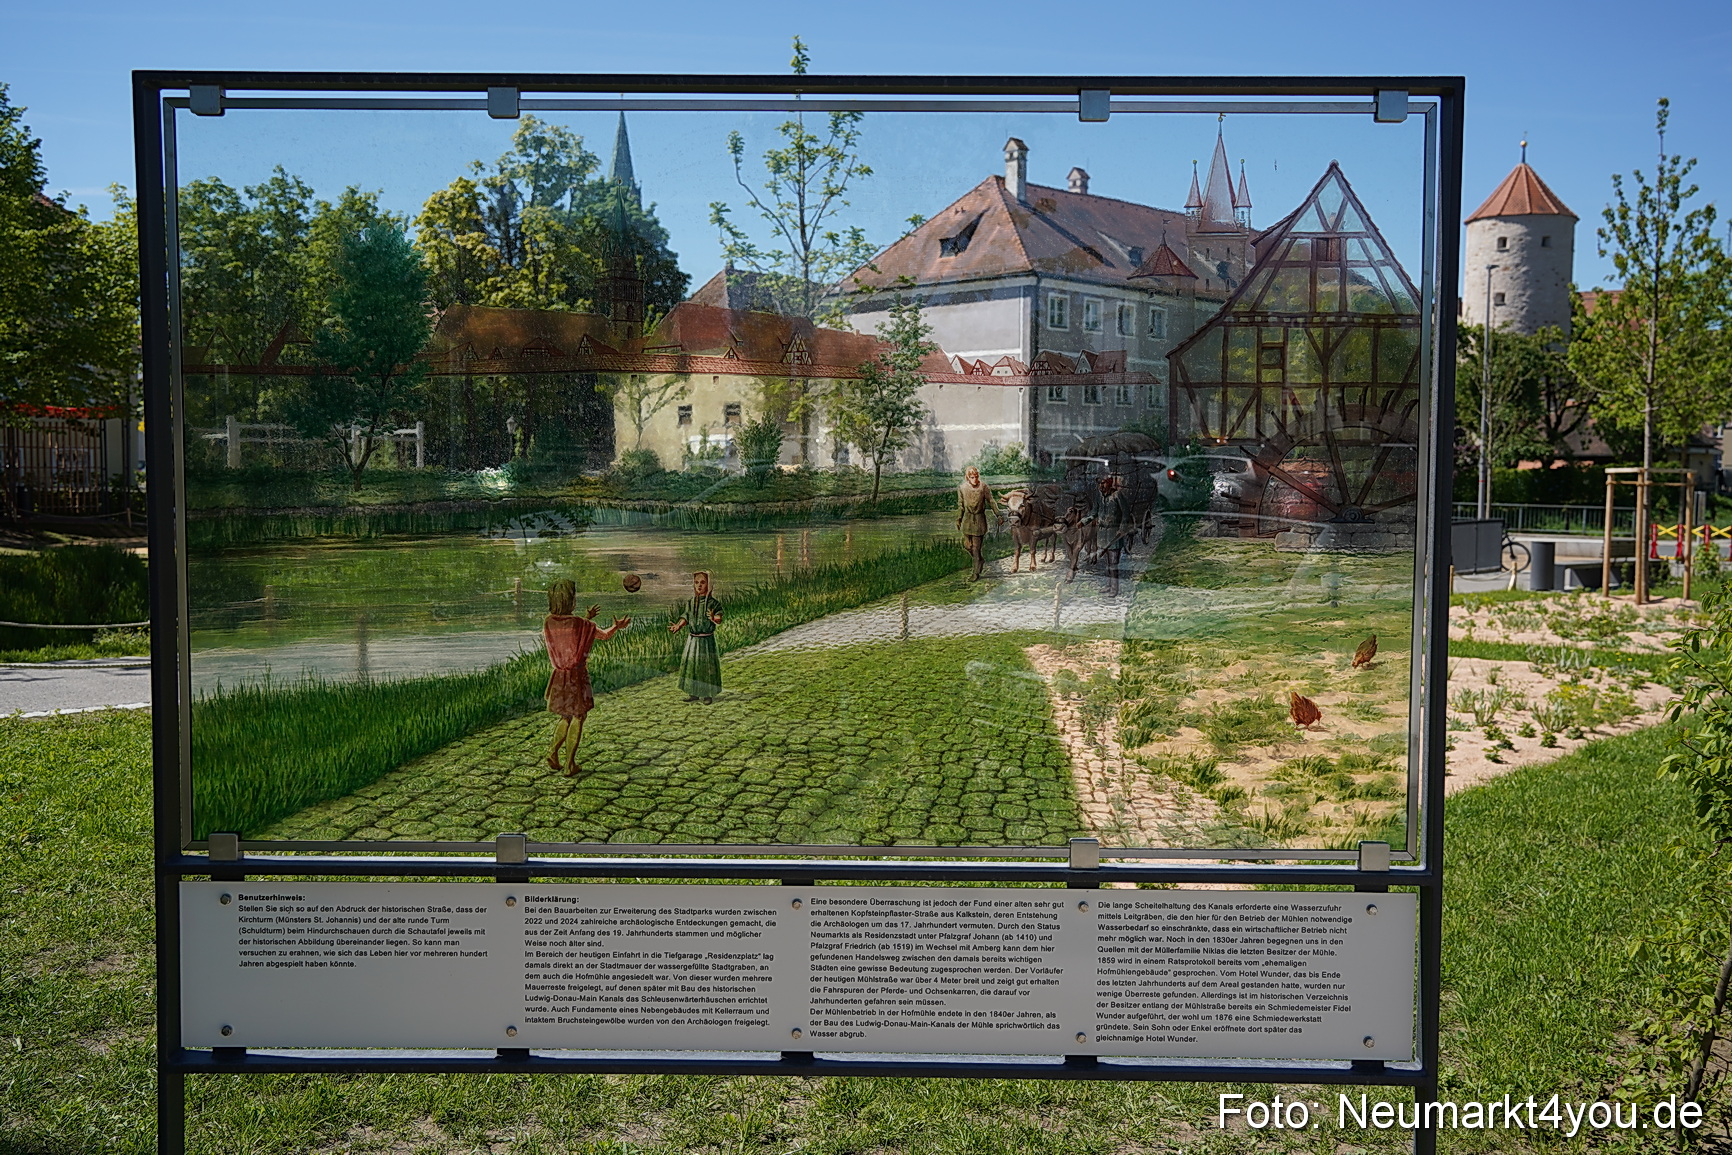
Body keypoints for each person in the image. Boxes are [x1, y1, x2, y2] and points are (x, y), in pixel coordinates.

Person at [543, 579, 630, 777]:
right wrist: (616, 627)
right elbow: (603, 635)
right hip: (576, 676)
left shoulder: (549, 621)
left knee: (565, 716)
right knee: (578, 716)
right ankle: (569, 764)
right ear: (571, 601)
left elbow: (568, 632)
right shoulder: (583, 624)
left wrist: (586, 618)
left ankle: (552, 752)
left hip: (558, 676)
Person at [669, 570, 724, 703]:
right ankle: (693, 693)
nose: (699, 585)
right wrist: (678, 625)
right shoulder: (691, 602)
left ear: (709, 585)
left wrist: (713, 618)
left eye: (703, 582)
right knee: (692, 666)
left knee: (705, 667)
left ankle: (707, 695)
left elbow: (719, 618)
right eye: (696, 582)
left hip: (706, 641)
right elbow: (686, 616)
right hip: (693, 640)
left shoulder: (713, 603)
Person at [956, 465, 1005, 582]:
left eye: (976, 476)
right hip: (968, 520)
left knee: (976, 548)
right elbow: (961, 505)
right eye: (972, 477)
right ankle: (980, 560)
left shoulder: (983, 487)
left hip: (979, 520)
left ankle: (976, 572)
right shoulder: (962, 488)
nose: (975, 479)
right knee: (968, 546)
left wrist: (998, 515)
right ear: (968, 477)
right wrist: (958, 519)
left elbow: (991, 501)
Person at [1094, 474, 1134, 597]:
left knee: (1113, 563)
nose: (1101, 486)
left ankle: (1114, 588)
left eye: (1104, 483)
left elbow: (1126, 514)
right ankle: (1108, 585)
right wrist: (1084, 521)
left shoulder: (1117, 495)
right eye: (1100, 483)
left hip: (1113, 534)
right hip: (1102, 535)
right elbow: (1094, 512)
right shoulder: (1099, 496)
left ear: (1109, 483)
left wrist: (1122, 528)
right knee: (1106, 563)